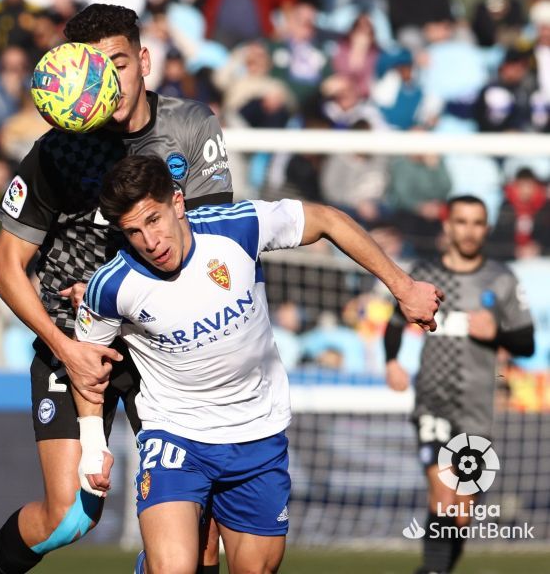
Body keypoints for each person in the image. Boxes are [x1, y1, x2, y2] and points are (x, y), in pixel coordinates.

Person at [0, 3, 233, 574]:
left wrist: (115, 288)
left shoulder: (189, 126)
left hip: (164, 348)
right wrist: (65, 345)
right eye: (95, 68)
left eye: (120, 64)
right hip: (76, 346)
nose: (110, 81)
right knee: (70, 516)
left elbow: (208, 246)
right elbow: (6, 267)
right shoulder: (60, 150)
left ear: (145, 61)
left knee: (198, 539)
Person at [73, 155, 442, 574]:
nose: (150, 241)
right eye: (134, 232)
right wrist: (91, 446)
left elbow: (327, 219)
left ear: (177, 203)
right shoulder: (110, 287)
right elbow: (87, 366)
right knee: (173, 568)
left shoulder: (238, 227)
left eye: (154, 220)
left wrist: (403, 286)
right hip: (176, 433)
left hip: (257, 431)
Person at [383, 195, 534, 574]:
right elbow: (394, 323)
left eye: (477, 222)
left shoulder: (501, 280)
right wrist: (391, 361)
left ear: (486, 229)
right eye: (461, 221)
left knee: (461, 510)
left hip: (476, 411)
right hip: (433, 402)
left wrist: (496, 331)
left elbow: (526, 343)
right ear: (448, 227)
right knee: (444, 493)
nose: (469, 230)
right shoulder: (424, 274)